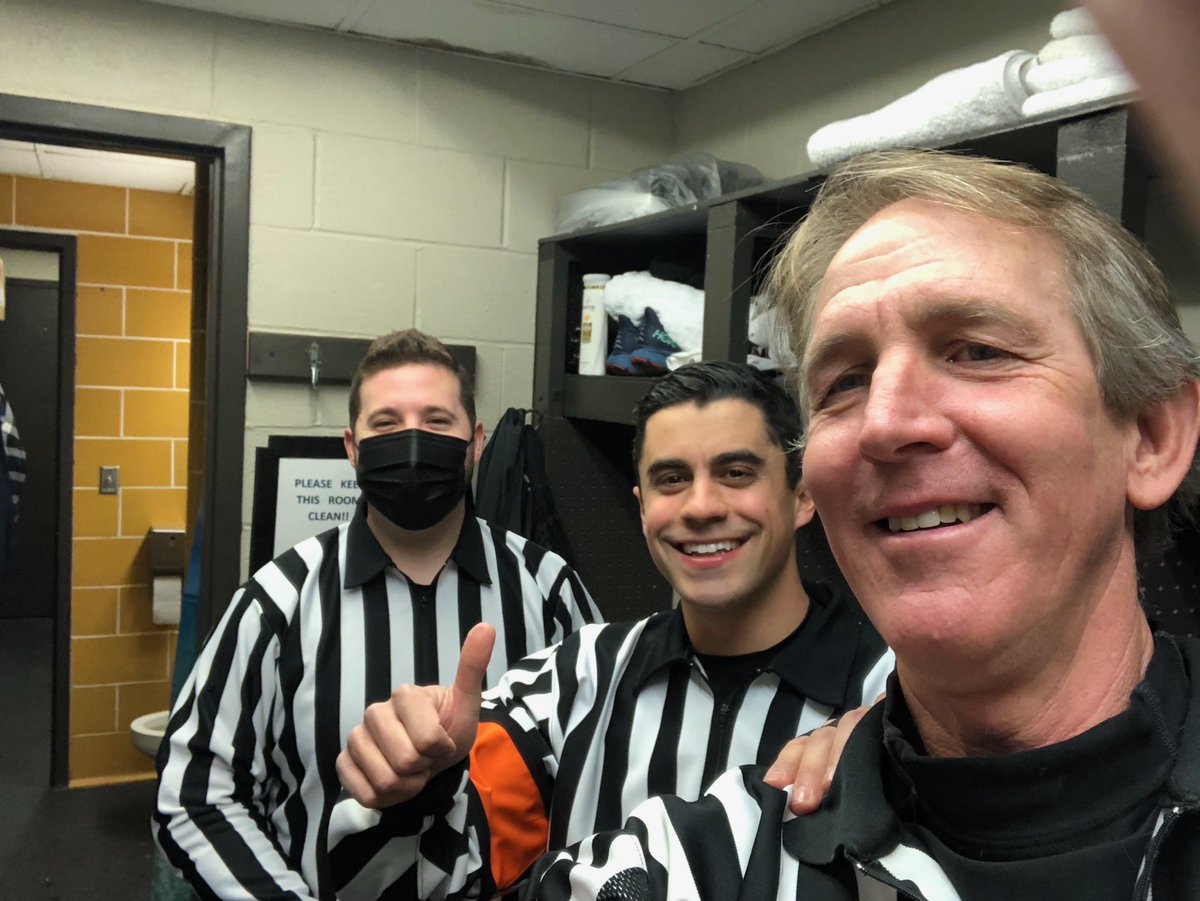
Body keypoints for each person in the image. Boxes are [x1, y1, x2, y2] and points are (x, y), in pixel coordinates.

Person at [525, 149, 1200, 899]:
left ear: (1152, 436)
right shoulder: (700, 862)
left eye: (978, 351)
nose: (884, 422)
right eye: (845, 381)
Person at [325, 361, 893, 899]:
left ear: (802, 495)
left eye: (736, 473)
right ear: (642, 509)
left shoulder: (891, 696)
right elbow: (405, 884)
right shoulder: (575, 681)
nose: (700, 506)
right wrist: (415, 793)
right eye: (672, 479)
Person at [154, 329, 601, 900]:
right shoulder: (276, 603)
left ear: (476, 442)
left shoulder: (549, 589)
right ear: (352, 447)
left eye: (437, 421)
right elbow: (194, 794)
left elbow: (598, 769)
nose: (412, 443)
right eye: (386, 424)